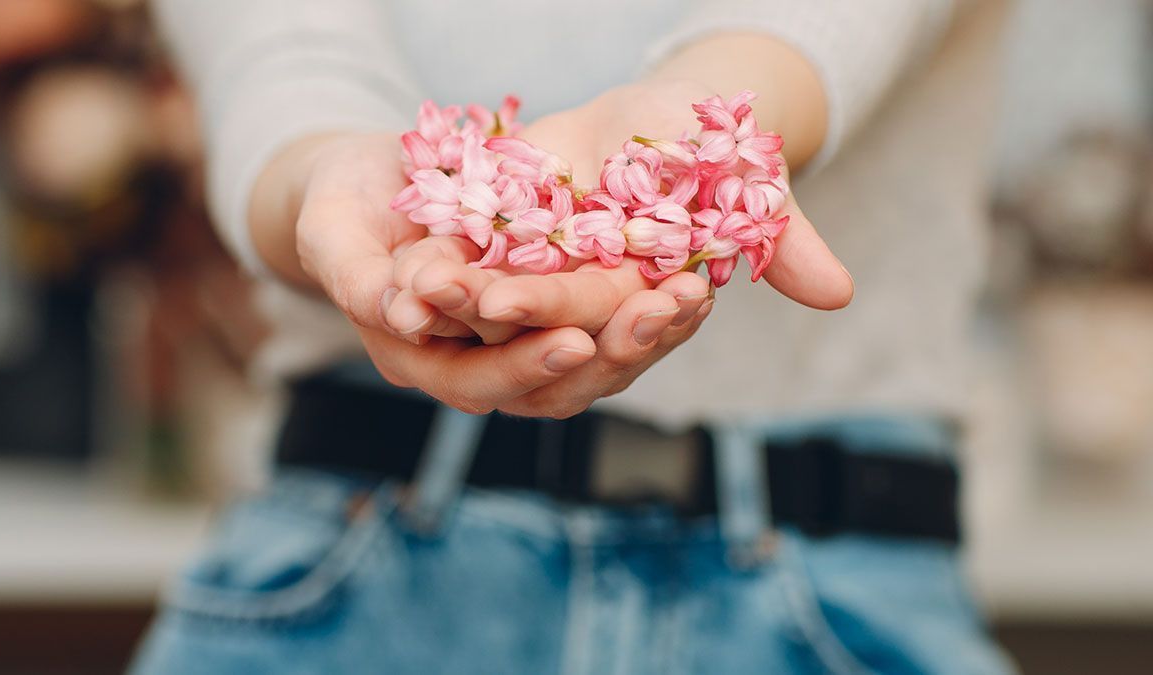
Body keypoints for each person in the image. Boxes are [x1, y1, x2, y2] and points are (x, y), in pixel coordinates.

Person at [133, 1, 1016, 673]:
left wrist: (706, 118)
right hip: (355, 561)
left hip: (833, 578)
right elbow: (284, 61)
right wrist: (327, 183)